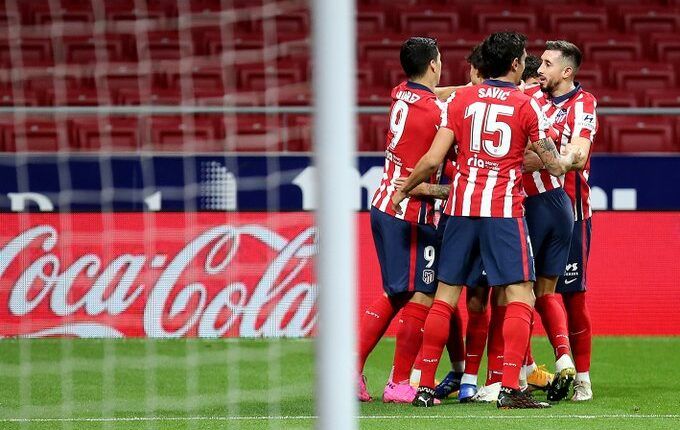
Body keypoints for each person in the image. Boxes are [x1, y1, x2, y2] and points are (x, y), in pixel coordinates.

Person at [392, 31, 581, 409]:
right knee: (520, 293)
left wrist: (405, 188)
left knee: (445, 297)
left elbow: (432, 160)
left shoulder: (460, 99)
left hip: (460, 209)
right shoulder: (527, 106)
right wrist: (570, 157)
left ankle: (425, 387)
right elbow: (553, 163)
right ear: (515, 65)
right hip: (502, 212)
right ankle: (512, 387)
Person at [357, 36, 450, 404]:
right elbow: (431, 161)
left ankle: (351, 372)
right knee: (422, 293)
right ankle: (398, 383)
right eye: (440, 60)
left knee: (396, 292)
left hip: (382, 204)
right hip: (409, 211)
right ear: (433, 65)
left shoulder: (401, 94)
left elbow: (441, 94)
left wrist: (474, 88)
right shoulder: (437, 114)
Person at [536, 40, 599, 402]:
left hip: (572, 215)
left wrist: (558, 159)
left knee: (572, 297)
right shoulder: (533, 99)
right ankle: (524, 372)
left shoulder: (583, 104)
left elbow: (579, 150)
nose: (539, 69)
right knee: (521, 294)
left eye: (547, 64)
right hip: (529, 211)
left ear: (567, 72)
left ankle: (583, 378)